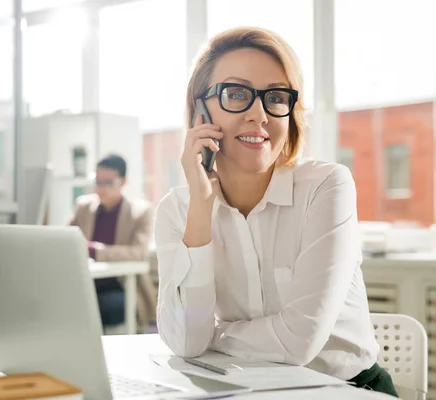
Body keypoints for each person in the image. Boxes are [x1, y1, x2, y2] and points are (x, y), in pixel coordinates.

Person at [155, 27, 397, 396]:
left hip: (346, 388)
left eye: (275, 97)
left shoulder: (326, 186)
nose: (259, 114)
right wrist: (200, 209)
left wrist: (213, 336)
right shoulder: (176, 209)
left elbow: (298, 342)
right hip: (246, 388)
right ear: (200, 111)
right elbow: (186, 342)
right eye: (236, 93)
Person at [70, 154, 156, 329]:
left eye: (108, 183)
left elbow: (138, 252)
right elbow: (67, 240)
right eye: (98, 182)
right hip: (85, 283)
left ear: (123, 181)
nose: (101, 189)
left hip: (121, 286)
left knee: (101, 307)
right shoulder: (83, 207)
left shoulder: (140, 212)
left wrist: (95, 250)